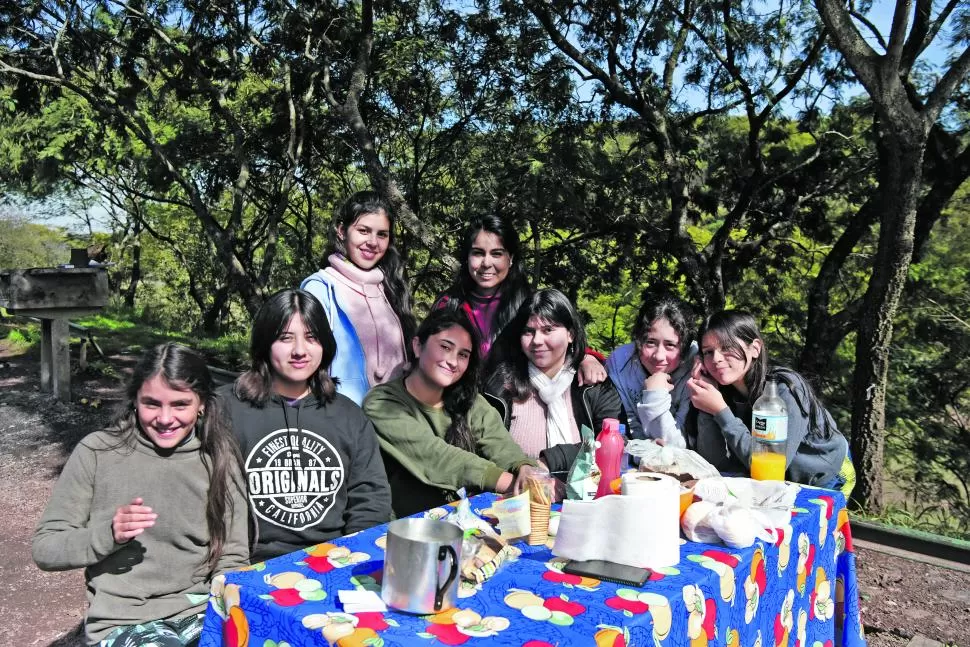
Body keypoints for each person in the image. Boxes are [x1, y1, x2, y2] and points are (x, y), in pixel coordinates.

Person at [33, 343, 248, 646]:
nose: (164, 418)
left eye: (180, 404)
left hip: (201, 609)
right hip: (124, 619)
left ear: (201, 404)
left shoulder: (220, 457)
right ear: (134, 399)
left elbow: (233, 554)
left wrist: (230, 603)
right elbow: (46, 548)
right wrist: (107, 534)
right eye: (151, 404)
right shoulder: (97, 452)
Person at [222, 288, 391, 562]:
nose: (300, 351)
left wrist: (353, 559)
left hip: (333, 560)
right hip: (248, 563)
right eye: (285, 338)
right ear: (265, 342)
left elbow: (370, 500)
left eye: (312, 338)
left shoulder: (349, 416)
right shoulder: (226, 408)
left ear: (325, 345)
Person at [363, 309, 541, 517]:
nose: (453, 361)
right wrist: (512, 483)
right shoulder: (382, 403)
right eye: (445, 347)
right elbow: (437, 457)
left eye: (463, 355)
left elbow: (498, 442)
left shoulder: (470, 401)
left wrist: (524, 467)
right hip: (405, 527)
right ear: (418, 346)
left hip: (466, 521)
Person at [686, 310, 855, 494]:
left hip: (826, 476)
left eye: (727, 347)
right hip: (777, 483)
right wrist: (706, 404)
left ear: (755, 348)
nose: (716, 358)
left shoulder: (784, 389)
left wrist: (721, 412)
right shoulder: (724, 392)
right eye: (708, 352)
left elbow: (768, 466)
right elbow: (714, 462)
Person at [433, 214, 607, 383]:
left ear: (511, 258)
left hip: (512, 403)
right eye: (478, 253)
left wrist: (586, 357)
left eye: (496, 254)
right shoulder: (448, 304)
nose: (486, 263)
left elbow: (557, 338)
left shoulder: (527, 303)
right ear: (467, 257)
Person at [484, 288, 624, 476]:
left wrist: (549, 461)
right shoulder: (500, 386)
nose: (537, 341)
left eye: (548, 330)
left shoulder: (594, 385)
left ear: (570, 334)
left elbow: (613, 444)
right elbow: (485, 447)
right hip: (516, 496)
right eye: (528, 331)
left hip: (583, 496)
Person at [301, 191, 415, 404]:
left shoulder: (391, 286)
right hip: (342, 421)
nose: (373, 242)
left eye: (382, 234)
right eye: (363, 231)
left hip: (393, 418)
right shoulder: (320, 288)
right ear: (342, 231)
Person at [605, 291, 698, 446]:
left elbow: (679, 445)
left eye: (670, 345)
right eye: (650, 342)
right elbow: (629, 428)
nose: (659, 356)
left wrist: (654, 395)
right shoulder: (620, 362)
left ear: (684, 347)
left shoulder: (696, 364)